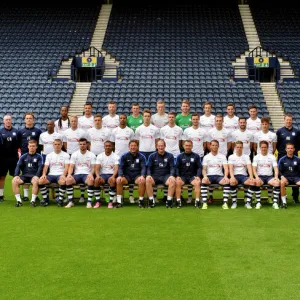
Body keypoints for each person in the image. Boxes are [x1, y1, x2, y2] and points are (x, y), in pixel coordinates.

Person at [17, 112, 42, 201]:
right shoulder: (20, 131)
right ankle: (26, 195)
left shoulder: (38, 131)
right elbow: (18, 144)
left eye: (30, 118)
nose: (29, 120)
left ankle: (35, 195)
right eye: (27, 118)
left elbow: (40, 143)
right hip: (24, 156)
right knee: (25, 173)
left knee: (35, 175)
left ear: (33, 120)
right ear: (24, 120)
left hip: (35, 156)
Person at [64, 138, 96, 208]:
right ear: (79, 145)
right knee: (68, 180)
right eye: (81, 144)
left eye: (84, 144)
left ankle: (89, 202)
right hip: (77, 174)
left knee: (91, 180)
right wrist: (69, 174)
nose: (82, 145)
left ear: (87, 145)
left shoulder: (91, 155)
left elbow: (94, 167)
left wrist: (91, 174)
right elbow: (71, 167)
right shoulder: (74, 154)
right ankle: (71, 201)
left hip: (87, 174)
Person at [38, 138, 70, 207]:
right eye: (55, 144)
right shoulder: (49, 155)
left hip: (60, 174)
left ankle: (60, 200)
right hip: (51, 175)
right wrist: (43, 174)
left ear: (61, 145)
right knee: (40, 181)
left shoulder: (66, 155)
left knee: (63, 181)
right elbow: (46, 167)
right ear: (53, 145)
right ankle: (46, 199)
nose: (57, 146)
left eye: (59, 144)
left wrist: (64, 175)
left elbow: (67, 167)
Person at [276, 113, 300, 203]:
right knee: (281, 176)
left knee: (295, 173)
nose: (288, 121)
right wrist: (283, 151)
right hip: (282, 155)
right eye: (287, 119)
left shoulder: (297, 131)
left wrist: (293, 151)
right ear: (284, 120)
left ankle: (295, 197)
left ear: (292, 120)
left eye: (290, 120)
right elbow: (277, 144)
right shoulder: (279, 131)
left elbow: (298, 144)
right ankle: (281, 197)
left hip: (294, 155)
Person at [12, 140, 43, 207]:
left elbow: (40, 167)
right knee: (14, 181)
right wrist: (16, 175)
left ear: (36, 147)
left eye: (33, 146)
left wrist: (37, 176)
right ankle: (19, 201)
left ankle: (33, 201)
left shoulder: (39, 156)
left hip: (34, 176)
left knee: (36, 181)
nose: (32, 147)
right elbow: (18, 166)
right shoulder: (23, 156)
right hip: (24, 176)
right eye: (30, 146)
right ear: (28, 147)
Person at [115, 140, 146, 208]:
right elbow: (121, 168)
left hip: (137, 176)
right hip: (127, 176)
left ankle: (140, 201)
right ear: (129, 147)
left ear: (137, 147)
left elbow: (143, 167)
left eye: (135, 146)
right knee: (119, 180)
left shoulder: (142, 156)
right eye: (131, 146)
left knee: (142, 181)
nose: (133, 147)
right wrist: (120, 176)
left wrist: (142, 176)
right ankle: (119, 202)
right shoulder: (124, 156)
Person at [146, 139, 176, 208]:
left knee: (172, 180)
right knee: (147, 179)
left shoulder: (170, 156)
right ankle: (151, 201)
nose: (160, 147)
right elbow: (149, 167)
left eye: (162, 146)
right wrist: (149, 175)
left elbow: (172, 167)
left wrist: (171, 175)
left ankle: (169, 201)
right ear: (156, 146)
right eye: (159, 146)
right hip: (155, 176)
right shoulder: (152, 156)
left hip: (166, 176)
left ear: (165, 146)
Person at [201, 140, 230, 209]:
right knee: (204, 181)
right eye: (213, 145)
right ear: (210, 146)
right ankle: (204, 203)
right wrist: (205, 176)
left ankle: (225, 203)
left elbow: (226, 168)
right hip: (209, 176)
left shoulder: (222, 156)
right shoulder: (206, 157)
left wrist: (225, 176)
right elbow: (204, 169)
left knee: (227, 181)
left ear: (218, 146)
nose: (214, 146)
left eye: (216, 145)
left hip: (219, 176)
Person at [252, 141, 280, 209]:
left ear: (267, 148)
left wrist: (276, 177)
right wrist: (256, 177)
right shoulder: (256, 157)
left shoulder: (272, 156)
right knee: (257, 182)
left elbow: (276, 168)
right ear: (260, 148)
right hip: (260, 176)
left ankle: (275, 202)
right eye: (262, 147)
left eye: (265, 147)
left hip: (269, 177)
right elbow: (254, 169)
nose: (264, 149)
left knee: (277, 183)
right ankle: (258, 202)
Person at [228, 141, 256, 209]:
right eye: (237, 147)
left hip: (244, 176)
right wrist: (232, 177)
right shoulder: (231, 157)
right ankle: (234, 202)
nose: (239, 148)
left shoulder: (246, 157)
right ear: (235, 148)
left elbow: (249, 167)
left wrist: (251, 177)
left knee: (252, 182)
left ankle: (248, 202)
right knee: (232, 182)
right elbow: (230, 169)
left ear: (242, 148)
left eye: (240, 147)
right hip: (235, 176)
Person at [175, 140, 202, 208]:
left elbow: (199, 167)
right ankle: (178, 201)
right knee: (177, 182)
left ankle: (197, 201)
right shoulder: (179, 156)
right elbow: (177, 168)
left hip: (192, 176)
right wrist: (178, 176)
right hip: (182, 176)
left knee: (198, 183)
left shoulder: (196, 156)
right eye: (186, 145)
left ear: (192, 146)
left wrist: (198, 176)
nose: (188, 147)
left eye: (189, 145)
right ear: (183, 146)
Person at [94, 141, 119, 208]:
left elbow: (116, 168)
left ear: (112, 147)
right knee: (96, 180)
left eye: (109, 146)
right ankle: (98, 201)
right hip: (103, 175)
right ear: (104, 147)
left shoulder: (116, 156)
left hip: (111, 174)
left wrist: (113, 176)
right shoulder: (100, 156)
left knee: (112, 181)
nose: (107, 147)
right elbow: (97, 168)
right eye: (106, 146)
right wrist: (98, 176)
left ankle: (110, 202)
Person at [0, 115, 19, 202]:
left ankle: (17, 196)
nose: (8, 121)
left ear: (11, 121)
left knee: (15, 177)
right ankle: (1, 195)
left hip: (14, 158)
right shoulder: (0, 131)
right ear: (4, 121)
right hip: (2, 158)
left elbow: (19, 144)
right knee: (2, 176)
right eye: (6, 120)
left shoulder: (16, 131)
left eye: (9, 120)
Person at [278, 143, 300, 209]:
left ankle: (295, 198)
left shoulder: (298, 159)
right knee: (282, 183)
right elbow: (278, 171)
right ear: (286, 149)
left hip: (296, 178)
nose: (290, 149)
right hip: (286, 178)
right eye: (288, 148)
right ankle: (284, 202)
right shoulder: (282, 159)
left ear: (294, 149)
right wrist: (282, 177)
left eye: (291, 148)